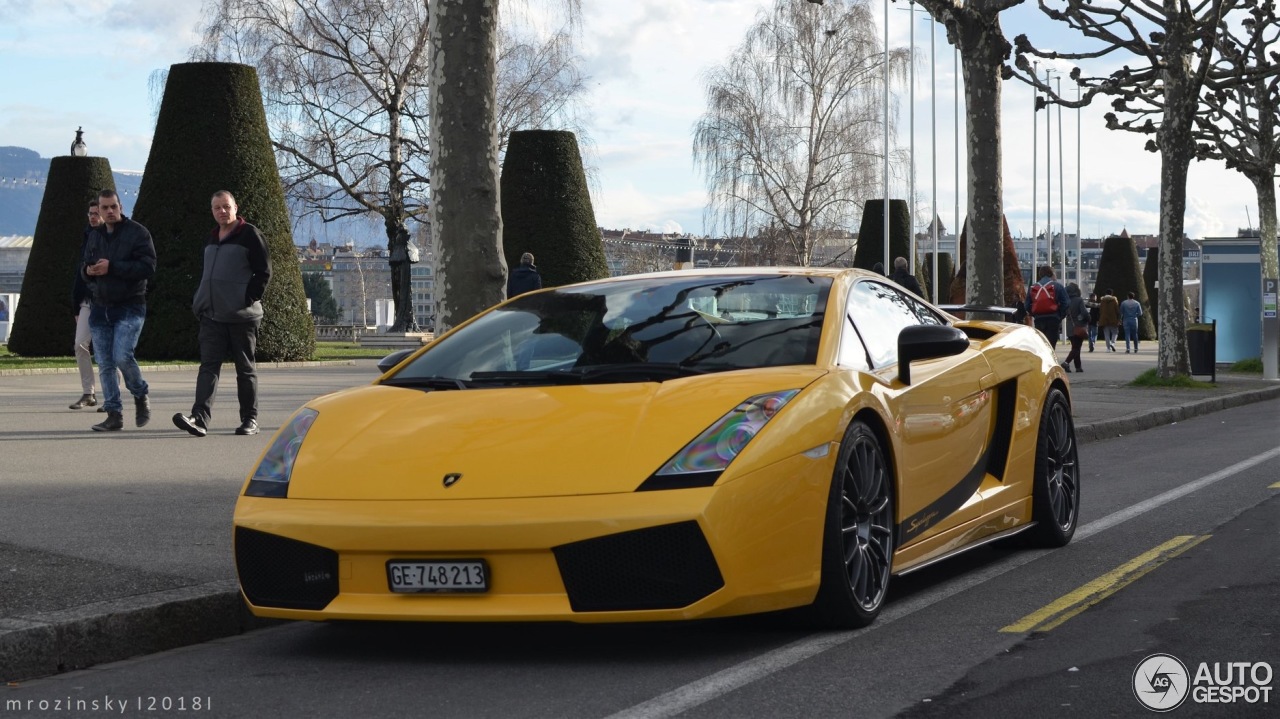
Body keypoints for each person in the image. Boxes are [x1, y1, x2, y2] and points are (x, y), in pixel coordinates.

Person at [173, 191, 272, 437]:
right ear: (212, 211)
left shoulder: (250, 235)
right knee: (208, 368)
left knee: (245, 369)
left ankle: (250, 420)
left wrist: (247, 298)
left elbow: (264, 271)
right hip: (212, 317)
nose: (222, 211)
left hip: (242, 317)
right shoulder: (212, 238)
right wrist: (201, 302)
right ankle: (199, 419)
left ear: (235, 207)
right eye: (217, 208)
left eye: (226, 206)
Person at [81, 189, 155, 432]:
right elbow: (85, 266)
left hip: (130, 306)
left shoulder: (138, 233)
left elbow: (147, 267)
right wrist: (88, 272)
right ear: (99, 211)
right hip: (100, 307)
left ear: (121, 206)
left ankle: (140, 393)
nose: (110, 211)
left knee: (122, 356)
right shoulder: (95, 235)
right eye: (105, 208)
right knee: (104, 363)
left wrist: (112, 268)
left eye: (113, 206)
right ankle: (114, 414)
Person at [69, 199, 103, 410]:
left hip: (105, 301)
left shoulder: (111, 238)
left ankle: (112, 395)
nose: (92, 217)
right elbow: (79, 276)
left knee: (105, 351)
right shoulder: (87, 237)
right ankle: (88, 393)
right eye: (90, 213)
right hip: (86, 302)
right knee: (80, 345)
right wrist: (75, 306)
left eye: (95, 213)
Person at [1025, 265, 1068, 350]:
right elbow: (1066, 303)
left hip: (1039, 319)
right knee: (1051, 345)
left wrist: (1034, 314)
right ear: (1051, 274)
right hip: (1053, 318)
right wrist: (1060, 315)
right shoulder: (1057, 286)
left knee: (1041, 344)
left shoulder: (1033, 287)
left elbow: (1026, 305)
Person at [1062, 283, 1088, 373]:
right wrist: (1088, 318)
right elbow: (1084, 313)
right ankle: (1066, 362)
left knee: (1075, 347)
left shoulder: (1065, 301)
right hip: (1079, 326)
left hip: (1069, 327)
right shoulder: (1079, 300)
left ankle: (1078, 366)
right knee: (1076, 348)